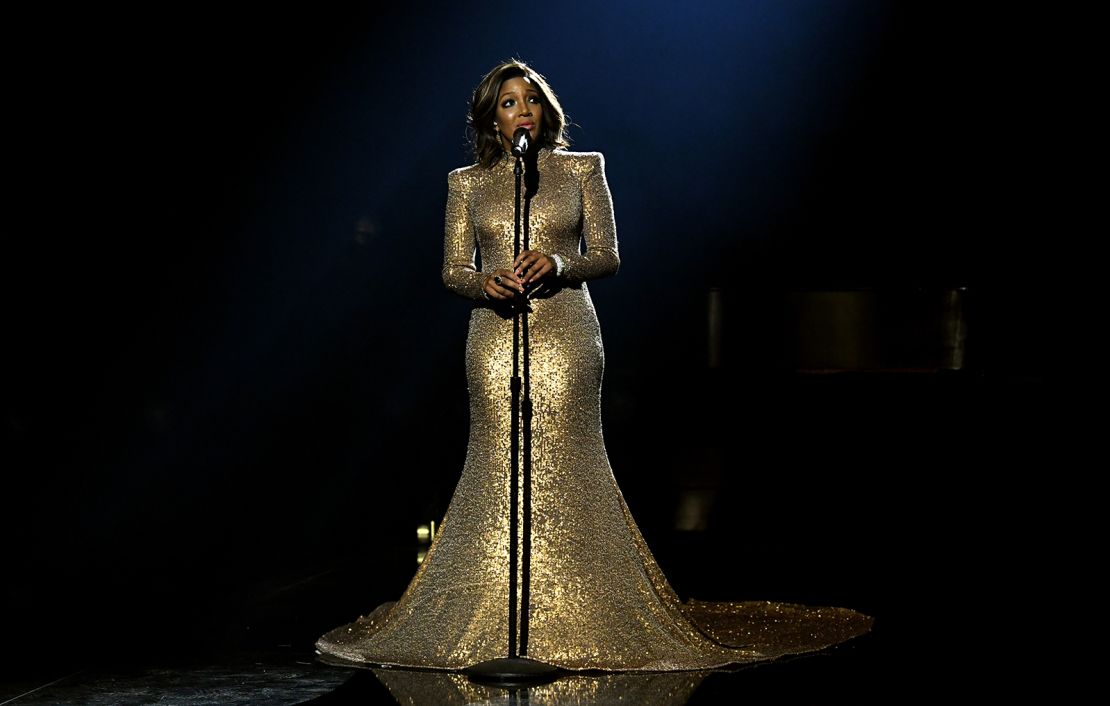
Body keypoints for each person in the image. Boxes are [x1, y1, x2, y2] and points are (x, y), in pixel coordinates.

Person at [315, 59, 871, 672]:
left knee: (568, 460)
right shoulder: (467, 182)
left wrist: (558, 263)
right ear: (490, 118)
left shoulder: (584, 169)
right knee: (500, 459)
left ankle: (581, 613)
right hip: (495, 337)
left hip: (567, 333)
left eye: (530, 98)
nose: (521, 109)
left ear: (546, 110)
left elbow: (607, 256)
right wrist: (483, 280)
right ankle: (495, 616)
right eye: (508, 102)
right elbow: (451, 269)